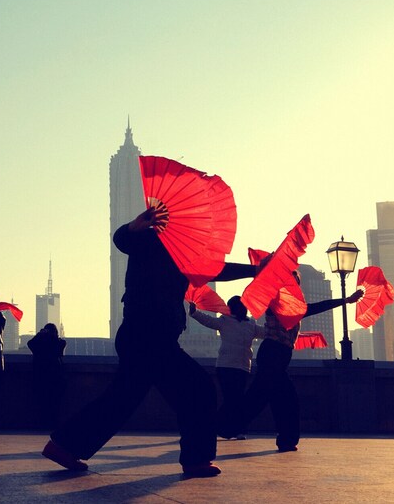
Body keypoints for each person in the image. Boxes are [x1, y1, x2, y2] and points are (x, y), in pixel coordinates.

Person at [42, 205, 257, 478]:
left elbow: (216, 269)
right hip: (147, 335)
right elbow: (122, 240)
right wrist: (136, 224)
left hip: (148, 337)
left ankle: (63, 446)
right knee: (198, 390)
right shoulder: (151, 238)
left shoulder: (184, 254)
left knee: (122, 399)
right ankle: (195, 460)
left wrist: (255, 270)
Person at [218, 274, 363, 452]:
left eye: (296, 283)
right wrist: (345, 300)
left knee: (266, 398)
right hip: (272, 355)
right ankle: (229, 427)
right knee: (279, 398)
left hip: (279, 356)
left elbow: (307, 310)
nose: (295, 285)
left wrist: (346, 300)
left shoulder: (294, 306)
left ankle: (227, 427)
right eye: (291, 282)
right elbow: (312, 308)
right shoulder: (276, 302)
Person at [189, 297, 265, 439]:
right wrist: (195, 313)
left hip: (238, 367)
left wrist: (280, 328)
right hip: (229, 366)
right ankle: (232, 429)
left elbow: (265, 332)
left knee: (234, 399)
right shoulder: (227, 321)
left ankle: (222, 428)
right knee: (233, 399)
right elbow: (209, 321)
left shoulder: (250, 324)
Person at [27, 323, 66, 429]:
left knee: (43, 402)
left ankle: (43, 423)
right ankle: (52, 423)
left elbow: (30, 343)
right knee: (54, 402)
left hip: (41, 376)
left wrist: (40, 335)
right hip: (55, 376)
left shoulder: (46, 343)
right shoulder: (58, 342)